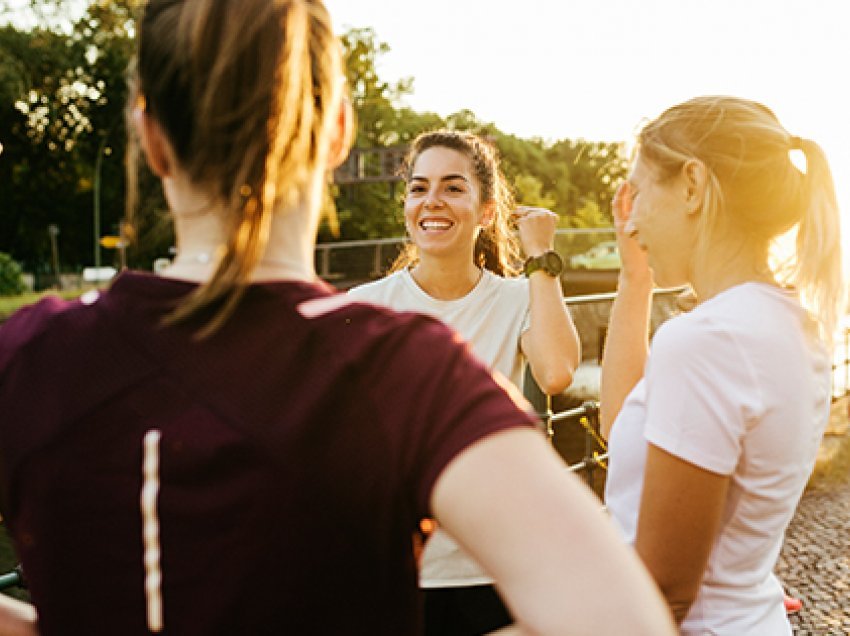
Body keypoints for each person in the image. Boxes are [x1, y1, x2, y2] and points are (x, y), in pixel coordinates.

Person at [0, 1, 676, 635]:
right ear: (338, 134)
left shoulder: (29, 357)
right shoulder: (410, 368)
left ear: (149, 137)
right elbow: (622, 620)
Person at [600, 95, 844, 634]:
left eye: (638, 193)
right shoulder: (793, 325)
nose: (631, 219)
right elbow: (623, 428)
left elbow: (665, 592)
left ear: (692, 185)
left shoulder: (704, 341)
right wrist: (635, 276)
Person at [348, 129, 581, 635]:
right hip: (397, 568)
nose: (432, 201)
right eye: (418, 187)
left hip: (495, 564)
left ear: (487, 211)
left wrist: (542, 257)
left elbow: (557, 370)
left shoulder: (518, 298)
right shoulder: (366, 306)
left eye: (453, 188)